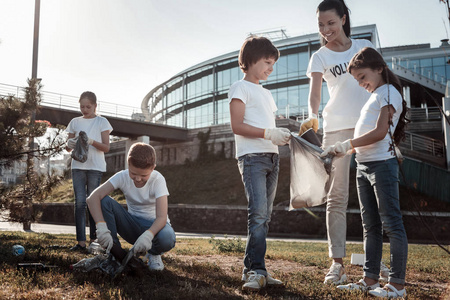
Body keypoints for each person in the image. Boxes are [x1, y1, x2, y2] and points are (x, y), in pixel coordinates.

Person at [321, 47, 409, 298]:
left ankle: (397, 286)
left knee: (391, 224)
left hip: (382, 165)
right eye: (357, 79)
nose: (360, 84)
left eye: (362, 77)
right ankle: (369, 280)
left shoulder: (389, 92)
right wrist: (348, 151)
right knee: (370, 225)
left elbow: (381, 131)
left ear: (379, 68)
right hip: (363, 165)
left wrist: (348, 144)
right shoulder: (375, 94)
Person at [299, 0, 376, 284]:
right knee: (337, 197)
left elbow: (382, 83)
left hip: (368, 126)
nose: (326, 29)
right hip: (335, 129)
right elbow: (315, 94)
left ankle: (373, 264)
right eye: (320, 25)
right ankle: (337, 264)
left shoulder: (364, 47)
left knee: (373, 195)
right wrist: (312, 117)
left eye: (330, 22)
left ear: (343, 19)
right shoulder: (319, 56)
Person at [229, 36, 291, 291]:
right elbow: (237, 126)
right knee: (257, 215)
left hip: (272, 157)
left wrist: (282, 134)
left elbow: (268, 124)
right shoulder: (239, 88)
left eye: (273, 63)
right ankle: (257, 270)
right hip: (252, 157)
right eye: (267, 62)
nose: (270, 68)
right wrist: (268, 134)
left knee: (264, 218)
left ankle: (253, 269)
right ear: (251, 60)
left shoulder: (267, 94)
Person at [86, 143, 176, 271]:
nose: (138, 178)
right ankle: (114, 253)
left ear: (153, 168)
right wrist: (101, 226)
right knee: (104, 200)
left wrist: (148, 235)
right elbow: (92, 198)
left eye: (144, 175)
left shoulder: (158, 180)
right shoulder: (122, 176)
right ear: (128, 165)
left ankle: (154, 253)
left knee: (168, 238)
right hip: (131, 224)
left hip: (154, 228)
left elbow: (162, 218)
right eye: (133, 173)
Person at [66, 91, 113, 252]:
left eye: (88, 106)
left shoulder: (102, 122)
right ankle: (80, 243)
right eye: (82, 106)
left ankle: (94, 240)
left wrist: (91, 141)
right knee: (79, 203)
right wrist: (71, 143)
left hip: (95, 167)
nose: (85, 109)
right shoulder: (74, 121)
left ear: (95, 106)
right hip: (78, 166)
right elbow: (67, 147)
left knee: (93, 202)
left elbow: (107, 147)